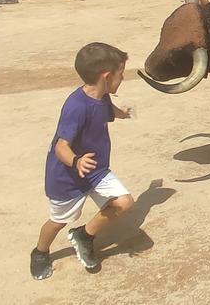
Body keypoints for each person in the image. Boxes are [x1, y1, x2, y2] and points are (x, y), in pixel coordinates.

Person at [29, 42, 135, 280]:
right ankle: (40, 252)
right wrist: (76, 161)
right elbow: (61, 147)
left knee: (124, 202)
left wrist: (122, 113)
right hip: (67, 177)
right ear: (106, 77)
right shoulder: (76, 106)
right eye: (121, 75)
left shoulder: (102, 95)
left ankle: (84, 235)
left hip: (96, 170)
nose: (122, 79)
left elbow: (109, 110)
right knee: (58, 221)